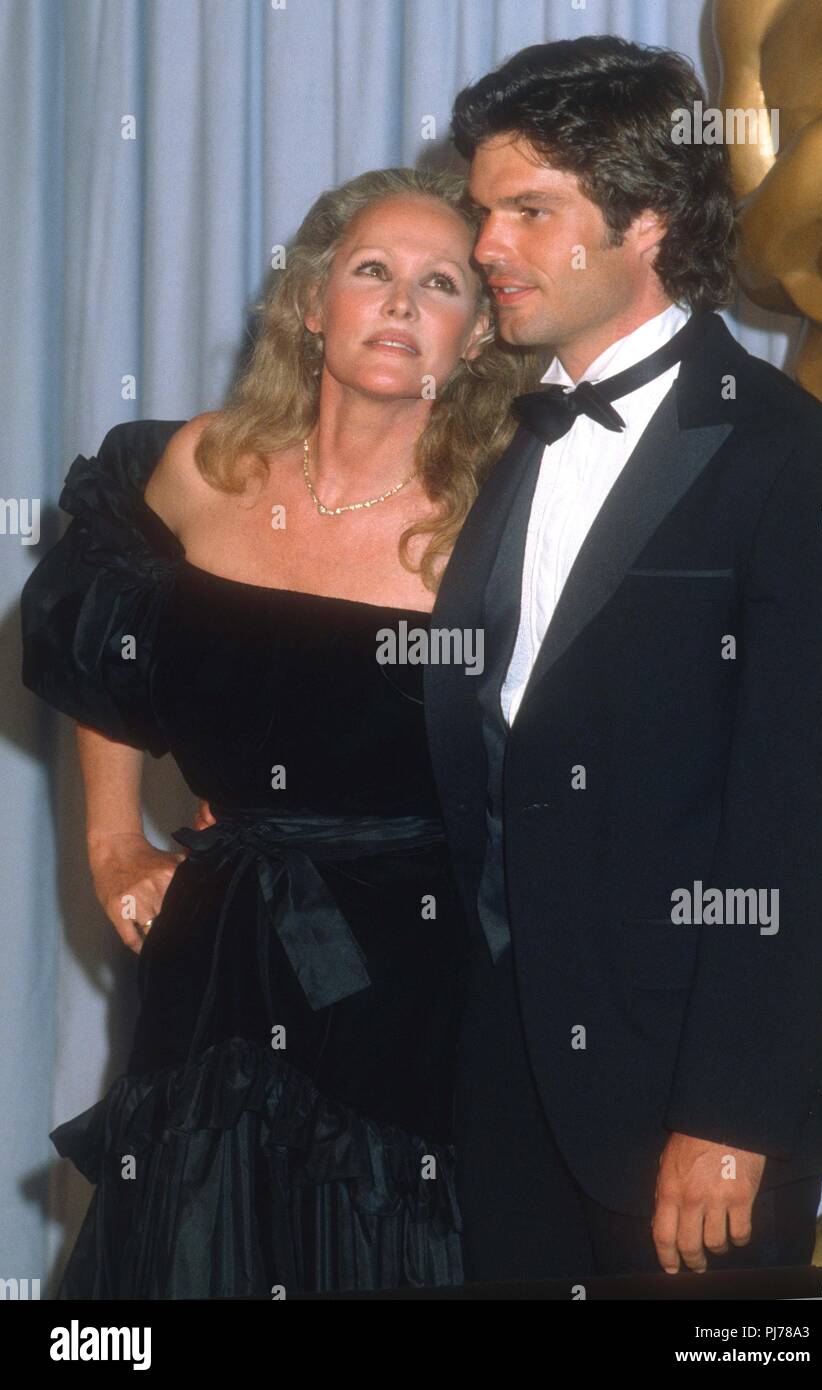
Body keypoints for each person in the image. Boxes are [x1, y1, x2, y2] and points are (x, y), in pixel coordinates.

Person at [19, 165, 541, 1297]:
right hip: (216, 950)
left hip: (415, 967)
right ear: (311, 305)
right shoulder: (194, 470)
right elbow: (93, 648)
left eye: (440, 283)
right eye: (372, 271)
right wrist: (113, 847)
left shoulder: (503, 516)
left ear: (473, 337)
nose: (402, 303)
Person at [421, 36, 822, 1282]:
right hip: (503, 1098)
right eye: (481, 210)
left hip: (687, 1119)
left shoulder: (794, 465)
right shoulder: (515, 441)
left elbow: (807, 828)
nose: (485, 246)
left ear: (648, 220)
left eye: (526, 211)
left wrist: (732, 1118)